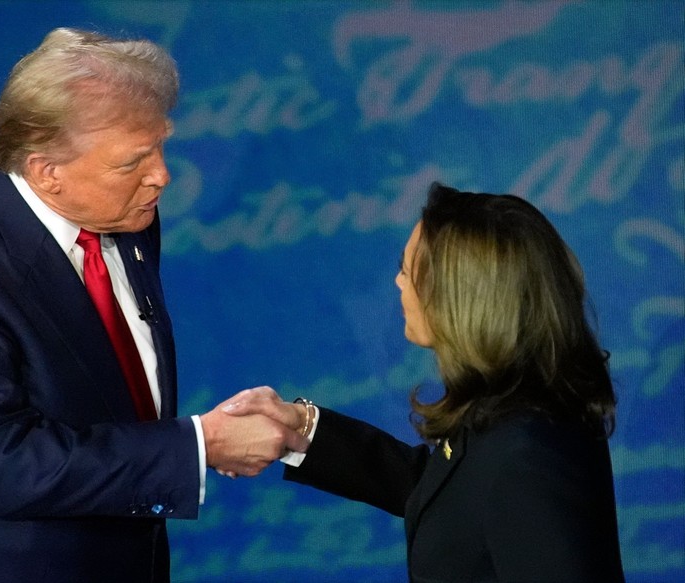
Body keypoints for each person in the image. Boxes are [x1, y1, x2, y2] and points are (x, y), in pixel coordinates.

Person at [0, 27, 306, 583]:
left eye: (161, 145)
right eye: (133, 161)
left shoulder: (122, 211)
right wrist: (198, 446)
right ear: (46, 171)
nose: (161, 175)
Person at [225, 183, 625, 581]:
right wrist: (302, 429)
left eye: (406, 268)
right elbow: (447, 494)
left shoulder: (528, 454)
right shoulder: (511, 408)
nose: (399, 282)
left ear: (461, 296)